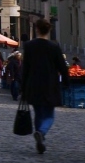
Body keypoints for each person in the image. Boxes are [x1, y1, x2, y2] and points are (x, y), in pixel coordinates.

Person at [22, 18, 70, 154]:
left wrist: (23, 87)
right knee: (49, 114)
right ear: (49, 30)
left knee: (38, 113)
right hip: (50, 84)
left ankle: (39, 135)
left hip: (33, 84)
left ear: (36, 29)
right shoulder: (54, 47)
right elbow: (62, 67)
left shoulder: (29, 46)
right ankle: (41, 132)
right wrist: (66, 82)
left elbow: (25, 68)